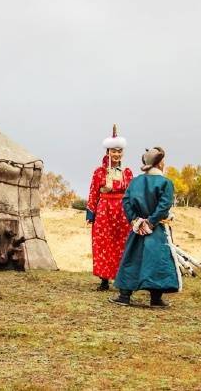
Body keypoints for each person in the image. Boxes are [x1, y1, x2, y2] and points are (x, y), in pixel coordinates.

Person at [110, 147, 182, 308]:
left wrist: (136, 221)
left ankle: (124, 296)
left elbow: (126, 201)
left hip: (137, 229)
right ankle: (156, 298)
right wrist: (150, 222)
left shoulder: (135, 181)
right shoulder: (166, 183)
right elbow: (164, 206)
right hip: (156, 230)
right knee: (158, 261)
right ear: (159, 162)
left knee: (132, 258)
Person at [86, 125, 133, 291]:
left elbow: (131, 193)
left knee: (122, 244)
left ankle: (122, 279)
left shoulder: (127, 172)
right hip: (104, 211)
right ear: (107, 152)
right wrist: (90, 213)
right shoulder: (99, 172)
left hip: (122, 212)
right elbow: (93, 192)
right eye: (113, 151)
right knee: (104, 244)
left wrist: (133, 213)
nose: (117, 154)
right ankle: (104, 279)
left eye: (119, 151)